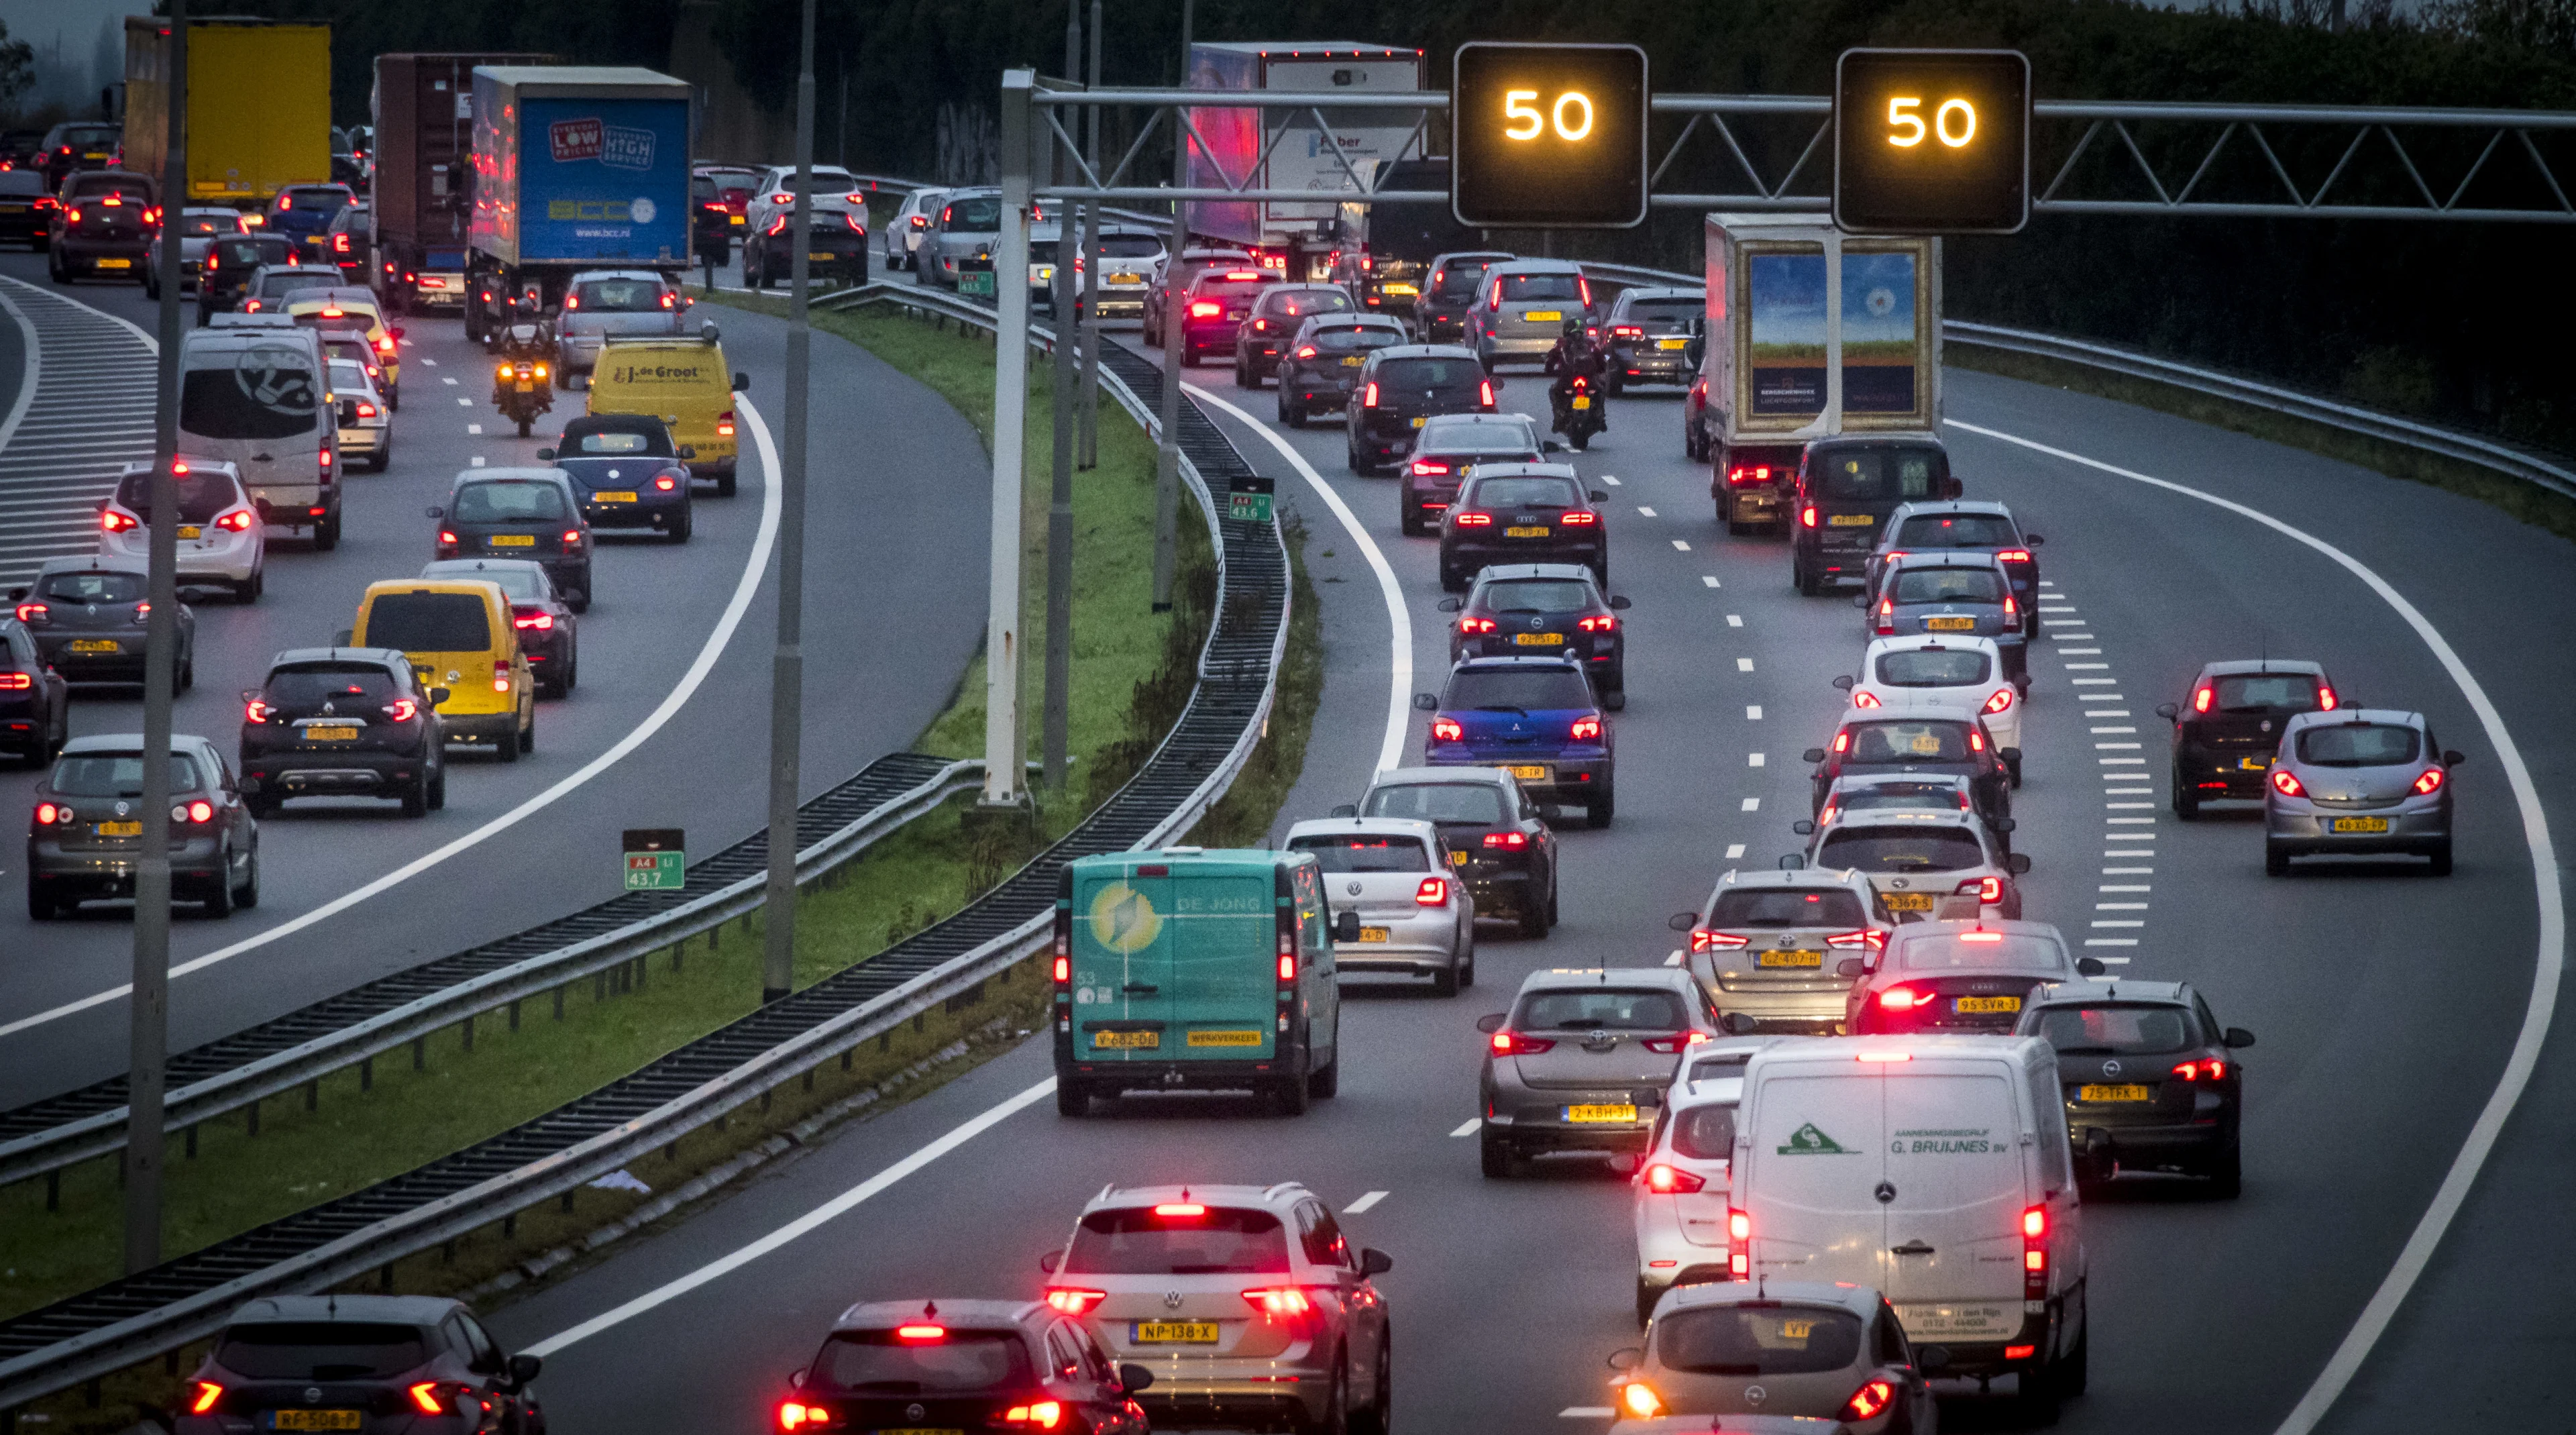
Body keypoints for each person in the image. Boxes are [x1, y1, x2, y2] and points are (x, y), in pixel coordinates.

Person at [1546, 316, 1608, 433]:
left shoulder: (1561, 343)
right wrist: (1600, 370)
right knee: (1600, 390)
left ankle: (1558, 418)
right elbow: (1601, 361)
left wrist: (1550, 371)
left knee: (1554, 392)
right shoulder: (1590, 343)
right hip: (1589, 379)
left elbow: (1551, 359)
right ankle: (1601, 416)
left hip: (1567, 379)